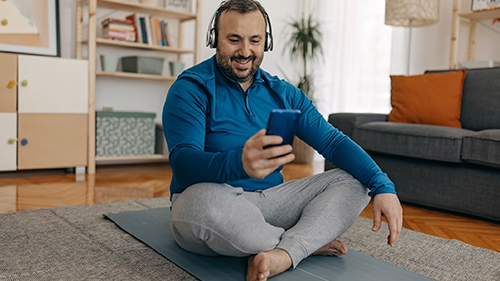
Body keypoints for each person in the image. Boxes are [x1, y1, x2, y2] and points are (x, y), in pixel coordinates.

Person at [162, 0, 403, 280]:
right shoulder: (190, 88)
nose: (245, 51)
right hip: (214, 203)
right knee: (202, 205)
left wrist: (384, 186)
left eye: (255, 40)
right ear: (214, 39)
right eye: (233, 39)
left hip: (271, 204)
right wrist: (238, 164)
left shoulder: (284, 93)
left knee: (355, 181)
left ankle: (282, 254)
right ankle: (303, 244)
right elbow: (183, 162)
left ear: (267, 42)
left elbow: (333, 143)